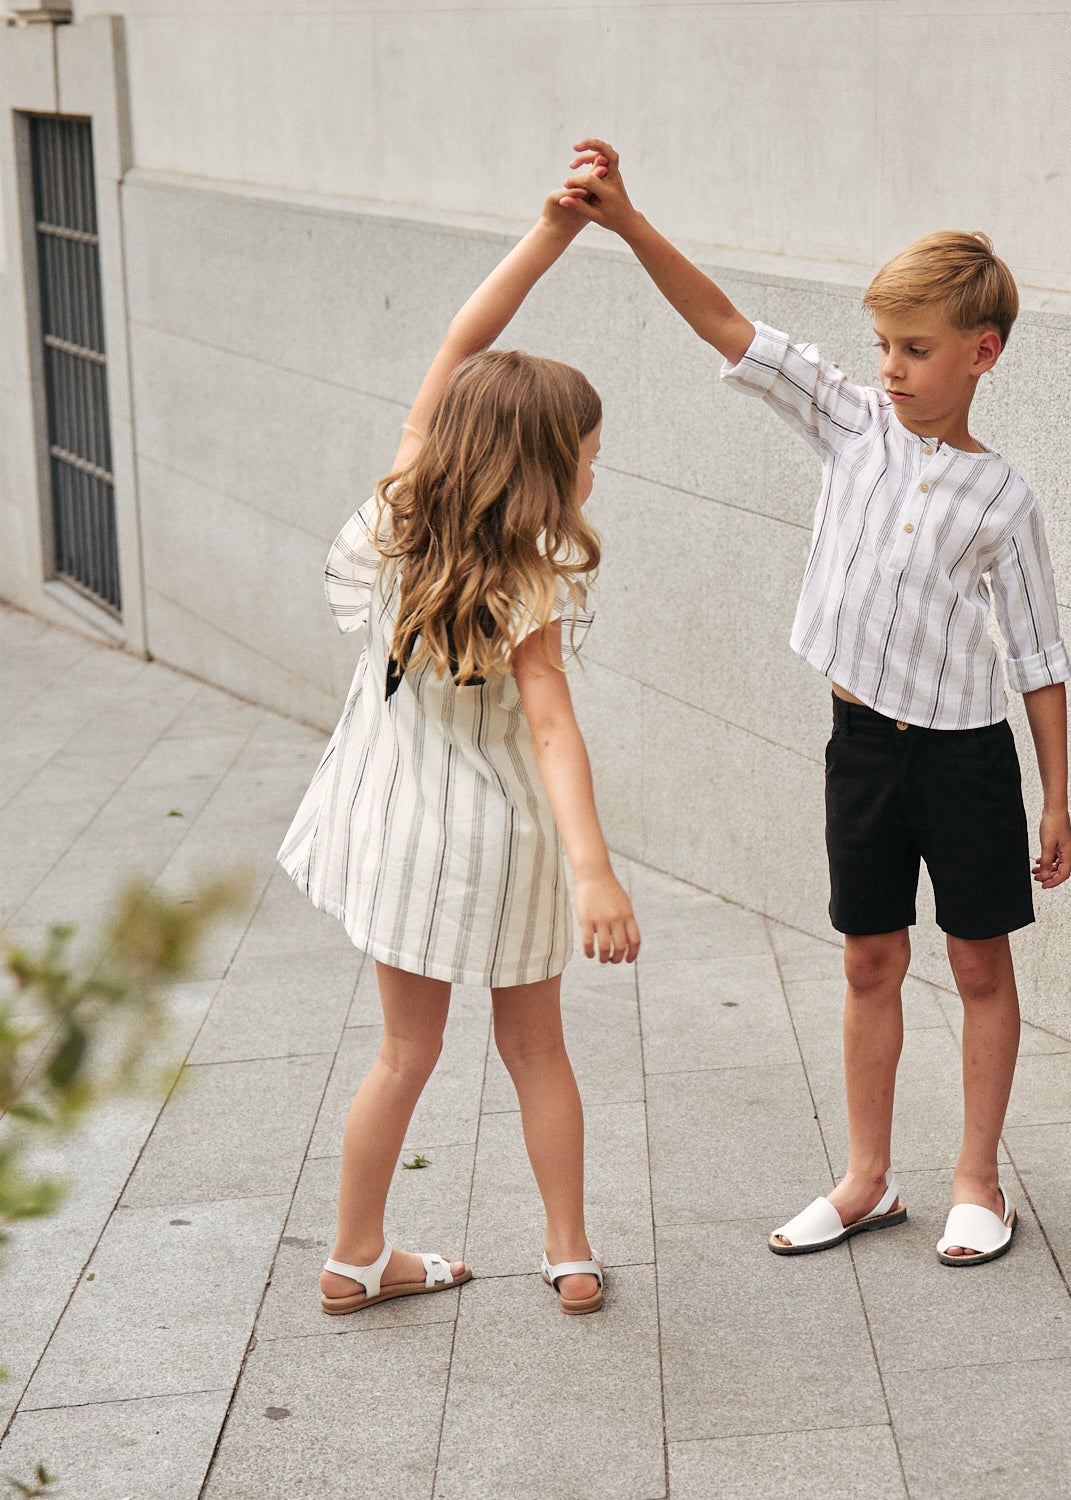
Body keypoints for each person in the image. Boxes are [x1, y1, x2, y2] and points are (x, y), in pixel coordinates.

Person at [560, 140, 1071, 1266]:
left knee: (981, 965)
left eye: (916, 349)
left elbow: (1037, 651)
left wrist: (1056, 799)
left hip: (969, 757)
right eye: (883, 344)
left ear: (982, 355)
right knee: (866, 960)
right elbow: (727, 325)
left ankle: (978, 1181)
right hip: (862, 749)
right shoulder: (850, 423)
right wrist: (628, 221)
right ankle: (866, 1180)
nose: (889, 367)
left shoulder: (1004, 498)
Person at [277, 187, 640, 1318]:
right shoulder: (531, 575)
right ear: (542, 468)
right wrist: (593, 870)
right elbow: (549, 728)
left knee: (402, 1054)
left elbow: (460, 341)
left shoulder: (396, 520)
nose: (593, 471)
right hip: (499, 841)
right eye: (586, 455)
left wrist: (550, 234)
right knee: (536, 1050)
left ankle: (352, 1257)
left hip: (391, 832)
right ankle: (570, 1253)